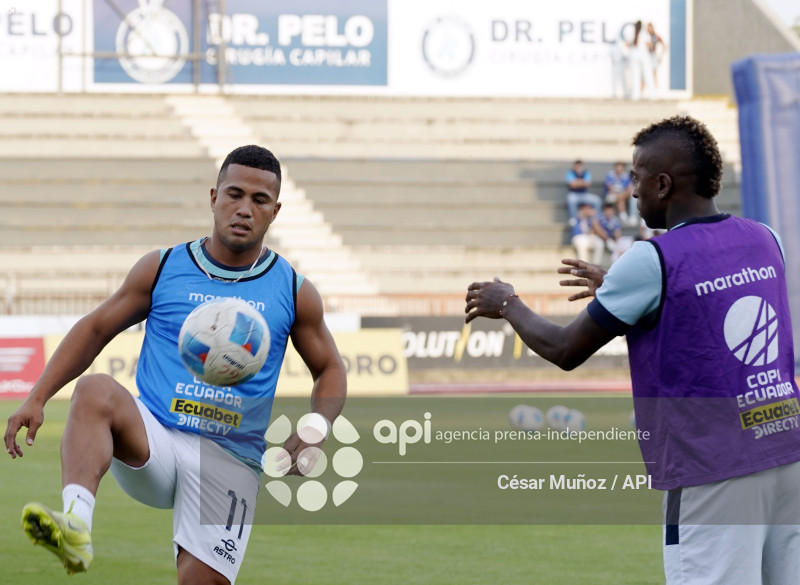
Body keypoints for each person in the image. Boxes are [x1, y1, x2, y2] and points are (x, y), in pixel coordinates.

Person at [465, 116, 800, 584]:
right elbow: (703, 310)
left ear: (663, 185)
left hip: (713, 469)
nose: (631, 189)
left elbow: (564, 349)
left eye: (637, 178)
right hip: (786, 455)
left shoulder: (651, 258)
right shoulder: (767, 239)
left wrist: (509, 304)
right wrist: (632, 295)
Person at [4, 145, 348, 584]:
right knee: (96, 391)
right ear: (213, 197)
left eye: (259, 201)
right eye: (234, 194)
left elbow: (331, 367)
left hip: (230, 456)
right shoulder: (163, 267)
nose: (244, 209)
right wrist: (37, 396)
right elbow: (94, 328)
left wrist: (316, 428)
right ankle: (75, 525)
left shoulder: (294, 290)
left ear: (275, 211)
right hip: (155, 439)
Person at [646, 22, 667, 91]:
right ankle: (643, 91)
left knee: (654, 73)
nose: (649, 29)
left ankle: (656, 90)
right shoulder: (645, 36)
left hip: (653, 55)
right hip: (647, 56)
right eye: (648, 28)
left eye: (650, 28)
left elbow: (664, 45)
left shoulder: (655, 36)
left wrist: (661, 56)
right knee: (645, 74)